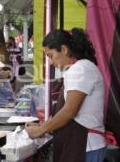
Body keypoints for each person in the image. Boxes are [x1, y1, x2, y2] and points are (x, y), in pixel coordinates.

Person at [25, 28, 106, 162]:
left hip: (86, 146)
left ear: (64, 50)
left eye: (51, 55)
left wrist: (41, 130)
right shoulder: (79, 69)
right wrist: (43, 126)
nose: (51, 62)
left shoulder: (81, 69)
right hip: (79, 144)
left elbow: (69, 111)